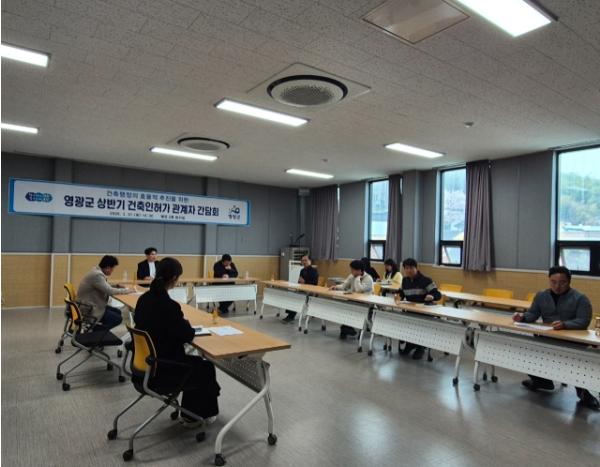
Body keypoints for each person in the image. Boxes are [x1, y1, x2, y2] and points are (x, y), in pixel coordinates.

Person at [134, 257, 220, 426]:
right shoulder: (168, 305)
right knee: (205, 367)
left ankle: (191, 413)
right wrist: (185, 323)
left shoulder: (143, 300)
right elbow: (187, 335)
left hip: (143, 365)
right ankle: (194, 416)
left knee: (198, 363)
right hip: (163, 369)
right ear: (174, 278)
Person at [513, 266, 598, 410]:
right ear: (549, 280)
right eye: (553, 282)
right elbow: (533, 314)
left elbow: (584, 320)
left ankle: (582, 391)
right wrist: (522, 317)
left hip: (572, 341)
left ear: (569, 282)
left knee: (576, 362)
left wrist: (565, 324)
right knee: (526, 351)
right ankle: (542, 381)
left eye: (562, 283)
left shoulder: (580, 298)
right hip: (547, 338)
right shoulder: (541, 295)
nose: (557, 286)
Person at [397, 258, 442, 360]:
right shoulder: (405, 280)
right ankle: (410, 344)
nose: (409, 270)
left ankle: (420, 347)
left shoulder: (426, 280)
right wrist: (398, 296)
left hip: (424, 313)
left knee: (418, 324)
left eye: (411, 268)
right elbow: (401, 293)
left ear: (416, 268)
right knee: (404, 322)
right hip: (411, 311)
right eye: (406, 268)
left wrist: (432, 296)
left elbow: (437, 294)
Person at [77, 255, 134, 331]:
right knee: (117, 319)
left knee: (117, 312)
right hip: (90, 308)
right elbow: (110, 291)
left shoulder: (95, 271)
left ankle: (97, 330)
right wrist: (127, 290)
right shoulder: (97, 275)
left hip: (90, 304)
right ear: (108, 267)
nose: (112, 271)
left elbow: (103, 286)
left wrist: (117, 286)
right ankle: (93, 331)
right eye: (112, 269)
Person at [330, 259, 374, 339]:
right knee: (345, 309)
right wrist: (336, 287)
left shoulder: (368, 279)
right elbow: (344, 286)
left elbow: (358, 290)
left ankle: (348, 328)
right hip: (354, 301)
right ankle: (346, 328)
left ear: (359, 270)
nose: (351, 271)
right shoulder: (351, 276)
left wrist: (357, 279)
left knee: (350, 310)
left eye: (353, 270)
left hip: (365, 304)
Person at [283, 255, 319, 323]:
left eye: (305, 260)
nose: (304, 262)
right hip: (302, 291)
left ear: (310, 261)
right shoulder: (302, 270)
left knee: (296, 298)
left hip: (310, 292)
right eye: (302, 260)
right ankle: (290, 315)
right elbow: (299, 282)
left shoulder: (314, 271)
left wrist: (304, 282)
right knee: (292, 296)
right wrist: (298, 287)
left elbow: (314, 283)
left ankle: (291, 316)